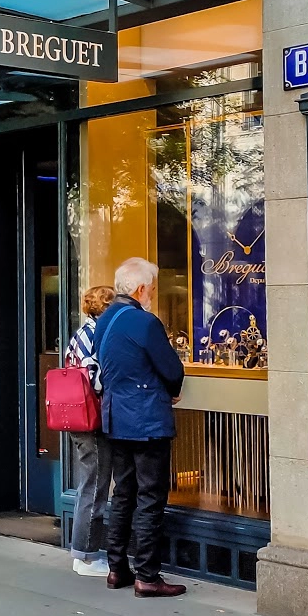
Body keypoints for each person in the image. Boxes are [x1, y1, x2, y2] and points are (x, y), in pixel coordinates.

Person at [93, 256, 186, 598]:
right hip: (146, 420)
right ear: (142, 288)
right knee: (150, 497)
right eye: (152, 288)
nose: (152, 294)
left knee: (123, 494)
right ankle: (147, 575)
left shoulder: (104, 320)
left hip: (116, 419)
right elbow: (172, 370)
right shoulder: (145, 322)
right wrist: (172, 391)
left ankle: (117, 568)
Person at [65, 285, 113, 577]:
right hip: (91, 418)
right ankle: (86, 556)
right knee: (94, 486)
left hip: (79, 417)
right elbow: (94, 380)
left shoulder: (82, 333)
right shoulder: (95, 335)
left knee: (91, 483)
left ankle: (83, 552)